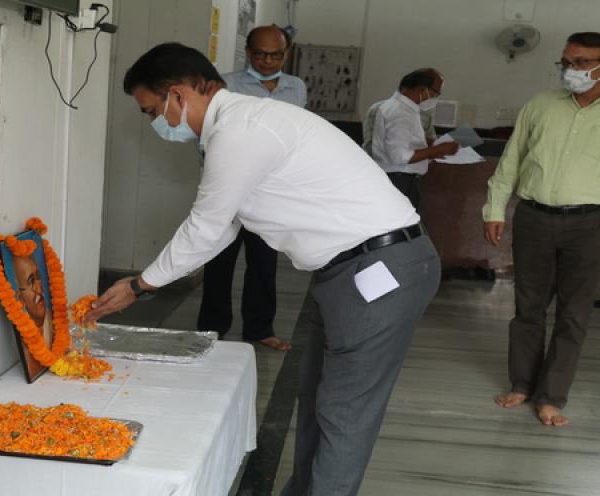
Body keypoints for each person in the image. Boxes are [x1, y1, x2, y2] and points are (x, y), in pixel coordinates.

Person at [84, 43, 440, 496]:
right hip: (348, 270)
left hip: (377, 269)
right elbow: (224, 227)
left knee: (344, 413)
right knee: (315, 400)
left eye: (152, 111)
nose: (157, 122)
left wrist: (139, 284)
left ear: (177, 94)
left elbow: (206, 227)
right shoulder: (241, 126)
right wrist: (147, 282)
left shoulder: (242, 131)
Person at [484, 32, 600, 427]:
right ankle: (522, 384)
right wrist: (494, 209)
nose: (571, 70)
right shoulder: (540, 105)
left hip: (590, 224)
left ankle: (550, 397)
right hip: (534, 217)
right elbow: (511, 161)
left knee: (574, 314)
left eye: (581, 63)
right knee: (528, 307)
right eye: (566, 62)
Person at [198, 24, 307, 352]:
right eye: (260, 54)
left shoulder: (296, 88)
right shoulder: (226, 85)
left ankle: (259, 328)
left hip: (270, 192)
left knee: (264, 262)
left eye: (276, 55)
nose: (268, 61)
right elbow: (207, 134)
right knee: (219, 259)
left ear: (286, 53)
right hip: (230, 188)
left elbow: (298, 134)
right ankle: (212, 329)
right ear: (248, 52)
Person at [371, 68, 459, 211]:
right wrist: (437, 149)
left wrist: (429, 145)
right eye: (436, 93)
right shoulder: (401, 113)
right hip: (400, 180)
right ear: (422, 90)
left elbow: (403, 140)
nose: (436, 98)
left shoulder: (400, 107)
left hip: (398, 179)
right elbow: (400, 156)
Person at [11, 254, 54, 379]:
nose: (39, 288)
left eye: (38, 277)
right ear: (20, 298)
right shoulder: (23, 338)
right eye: (31, 282)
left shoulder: (54, 321)